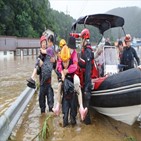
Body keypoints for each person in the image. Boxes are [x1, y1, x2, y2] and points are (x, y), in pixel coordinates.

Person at [53, 36, 88, 121]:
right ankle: (58, 106)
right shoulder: (64, 52)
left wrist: (67, 71)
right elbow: (59, 64)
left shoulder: (75, 54)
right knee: (59, 85)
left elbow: (75, 66)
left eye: (73, 48)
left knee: (78, 86)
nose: (71, 49)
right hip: (64, 77)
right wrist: (62, 72)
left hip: (73, 76)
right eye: (70, 48)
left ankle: (81, 108)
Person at [78, 28, 95, 124]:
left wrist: (86, 88)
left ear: (84, 39)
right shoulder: (85, 50)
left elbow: (88, 70)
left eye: (81, 39)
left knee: (86, 106)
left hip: (86, 83)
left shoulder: (88, 51)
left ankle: (88, 125)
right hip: (83, 80)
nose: (80, 41)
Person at [59, 45, 78, 127]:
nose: (65, 64)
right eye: (63, 62)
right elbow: (58, 66)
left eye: (66, 62)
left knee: (73, 120)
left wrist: (67, 71)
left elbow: (75, 67)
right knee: (65, 120)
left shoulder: (73, 68)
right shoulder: (61, 69)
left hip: (73, 96)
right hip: (65, 97)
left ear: (69, 60)